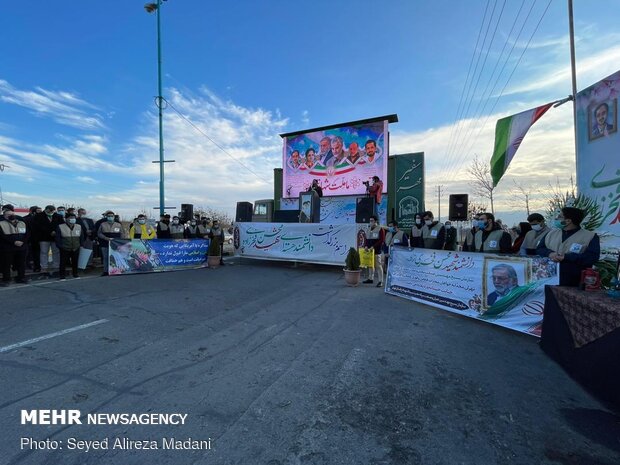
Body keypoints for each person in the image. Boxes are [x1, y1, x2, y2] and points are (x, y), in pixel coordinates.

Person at [536, 207, 600, 286]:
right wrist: (550, 253)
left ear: (568, 221)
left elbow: (592, 257)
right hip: (548, 278)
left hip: (573, 281)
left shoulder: (590, 236)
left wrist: (566, 257)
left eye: (560, 217)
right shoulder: (551, 233)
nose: (556, 218)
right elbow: (539, 249)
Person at [0, 208, 29, 285]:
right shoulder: (1, 223)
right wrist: (14, 242)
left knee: (21, 264)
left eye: (12, 214)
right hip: (8, 248)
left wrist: (23, 242)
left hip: (21, 247)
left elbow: (27, 234)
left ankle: (21, 278)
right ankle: (6, 280)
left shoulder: (21, 223)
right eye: (9, 215)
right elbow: (2, 236)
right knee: (6, 264)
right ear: (4, 216)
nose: (11, 216)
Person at [32, 205, 62, 275]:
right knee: (44, 252)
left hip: (55, 237)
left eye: (52, 211)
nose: (51, 212)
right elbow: (37, 226)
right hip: (43, 237)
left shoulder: (58, 216)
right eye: (50, 211)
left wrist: (55, 231)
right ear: (46, 209)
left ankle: (56, 265)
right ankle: (44, 266)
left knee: (56, 252)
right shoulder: (38, 216)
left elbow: (61, 225)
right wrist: (49, 232)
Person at [55, 212, 85, 279]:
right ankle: (62, 275)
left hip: (76, 247)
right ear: (66, 219)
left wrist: (81, 244)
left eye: (74, 218)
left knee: (75, 261)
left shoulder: (78, 226)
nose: (73, 219)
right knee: (63, 262)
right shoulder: (60, 226)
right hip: (65, 247)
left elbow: (81, 236)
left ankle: (75, 274)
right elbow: (58, 238)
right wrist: (60, 246)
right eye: (71, 218)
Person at [98, 210, 124, 276]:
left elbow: (122, 234)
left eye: (111, 216)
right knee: (106, 258)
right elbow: (99, 233)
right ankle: (105, 271)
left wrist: (121, 242)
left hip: (115, 244)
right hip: (105, 243)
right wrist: (105, 238)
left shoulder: (118, 225)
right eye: (108, 216)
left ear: (114, 217)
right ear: (106, 217)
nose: (110, 217)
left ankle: (117, 270)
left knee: (116, 257)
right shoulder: (102, 224)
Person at [363, 215, 385, 287]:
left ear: (376, 221)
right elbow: (366, 239)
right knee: (370, 265)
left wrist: (373, 247)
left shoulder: (380, 229)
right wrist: (366, 246)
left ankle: (380, 281)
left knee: (378, 265)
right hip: (369, 251)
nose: (370, 222)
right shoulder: (368, 229)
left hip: (376, 250)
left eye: (372, 221)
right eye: (370, 221)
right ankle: (370, 278)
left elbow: (381, 240)